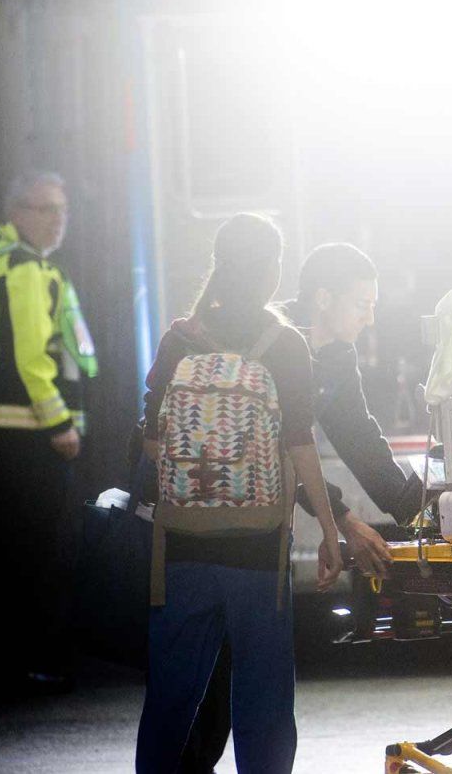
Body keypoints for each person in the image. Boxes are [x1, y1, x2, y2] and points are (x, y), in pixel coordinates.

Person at [178, 243, 418, 772]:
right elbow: (277, 449)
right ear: (324, 299)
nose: (370, 318)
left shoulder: (335, 356)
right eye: (361, 304)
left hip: (262, 524)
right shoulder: (276, 341)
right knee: (214, 674)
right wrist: (343, 520)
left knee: (244, 670)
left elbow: (360, 439)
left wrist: (420, 512)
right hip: (213, 520)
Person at [135, 213, 344, 774]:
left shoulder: (179, 339)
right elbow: (300, 444)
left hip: (182, 547)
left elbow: (153, 442)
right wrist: (330, 529)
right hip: (259, 547)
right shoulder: (285, 344)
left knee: (170, 698)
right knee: (264, 698)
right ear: (272, 269)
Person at [0, 170, 97, 691]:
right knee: (31, 553)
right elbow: (31, 356)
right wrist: (59, 422)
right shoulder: (26, 268)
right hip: (26, 436)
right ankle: (21, 665)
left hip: (2, 436)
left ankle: (5, 664)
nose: (57, 220)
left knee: (6, 550)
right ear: (16, 213)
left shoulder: (3, 261)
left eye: (62, 209)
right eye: (44, 209)